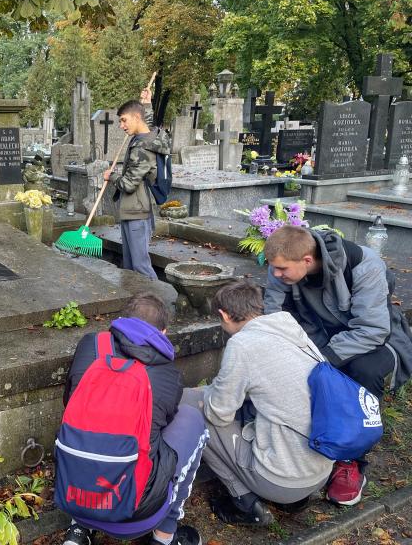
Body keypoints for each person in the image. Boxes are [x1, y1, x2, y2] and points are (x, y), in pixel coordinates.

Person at [263, 225, 412, 505]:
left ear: (307, 261)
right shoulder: (282, 267)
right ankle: (300, 439)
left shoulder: (364, 265)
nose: (276, 275)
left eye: (282, 269)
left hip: (376, 339)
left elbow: (373, 329)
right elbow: (273, 315)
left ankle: (350, 461)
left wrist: (324, 359)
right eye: (274, 269)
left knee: (360, 374)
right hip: (322, 336)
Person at [181, 280, 334, 526]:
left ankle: (245, 504)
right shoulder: (289, 327)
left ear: (224, 314)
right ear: (258, 306)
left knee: (195, 412)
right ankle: (293, 501)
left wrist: (206, 397)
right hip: (321, 470)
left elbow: (219, 413)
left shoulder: (242, 344)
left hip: (282, 479)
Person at [60, 293, 208, 545]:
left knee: (82, 421)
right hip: (137, 515)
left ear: (121, 321)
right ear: (163, 331)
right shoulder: (166, 372)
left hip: (72, 497)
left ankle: (78, 530)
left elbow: (68, 400)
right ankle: (164, 537)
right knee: (191, 419)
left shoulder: (90, 344)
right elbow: (165, 423)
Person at [103, 92, 170, 280]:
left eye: (124, 120)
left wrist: (112, 176)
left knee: (140, 267)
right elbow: (145, 122)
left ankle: (158, 301)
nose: (121, 126)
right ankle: (138, 305)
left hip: (137, 214)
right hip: (133, 210)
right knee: (131, 266)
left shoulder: (143, 147)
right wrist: (147, 104)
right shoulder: (146, 137)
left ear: (136, 117)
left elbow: (129, 184)